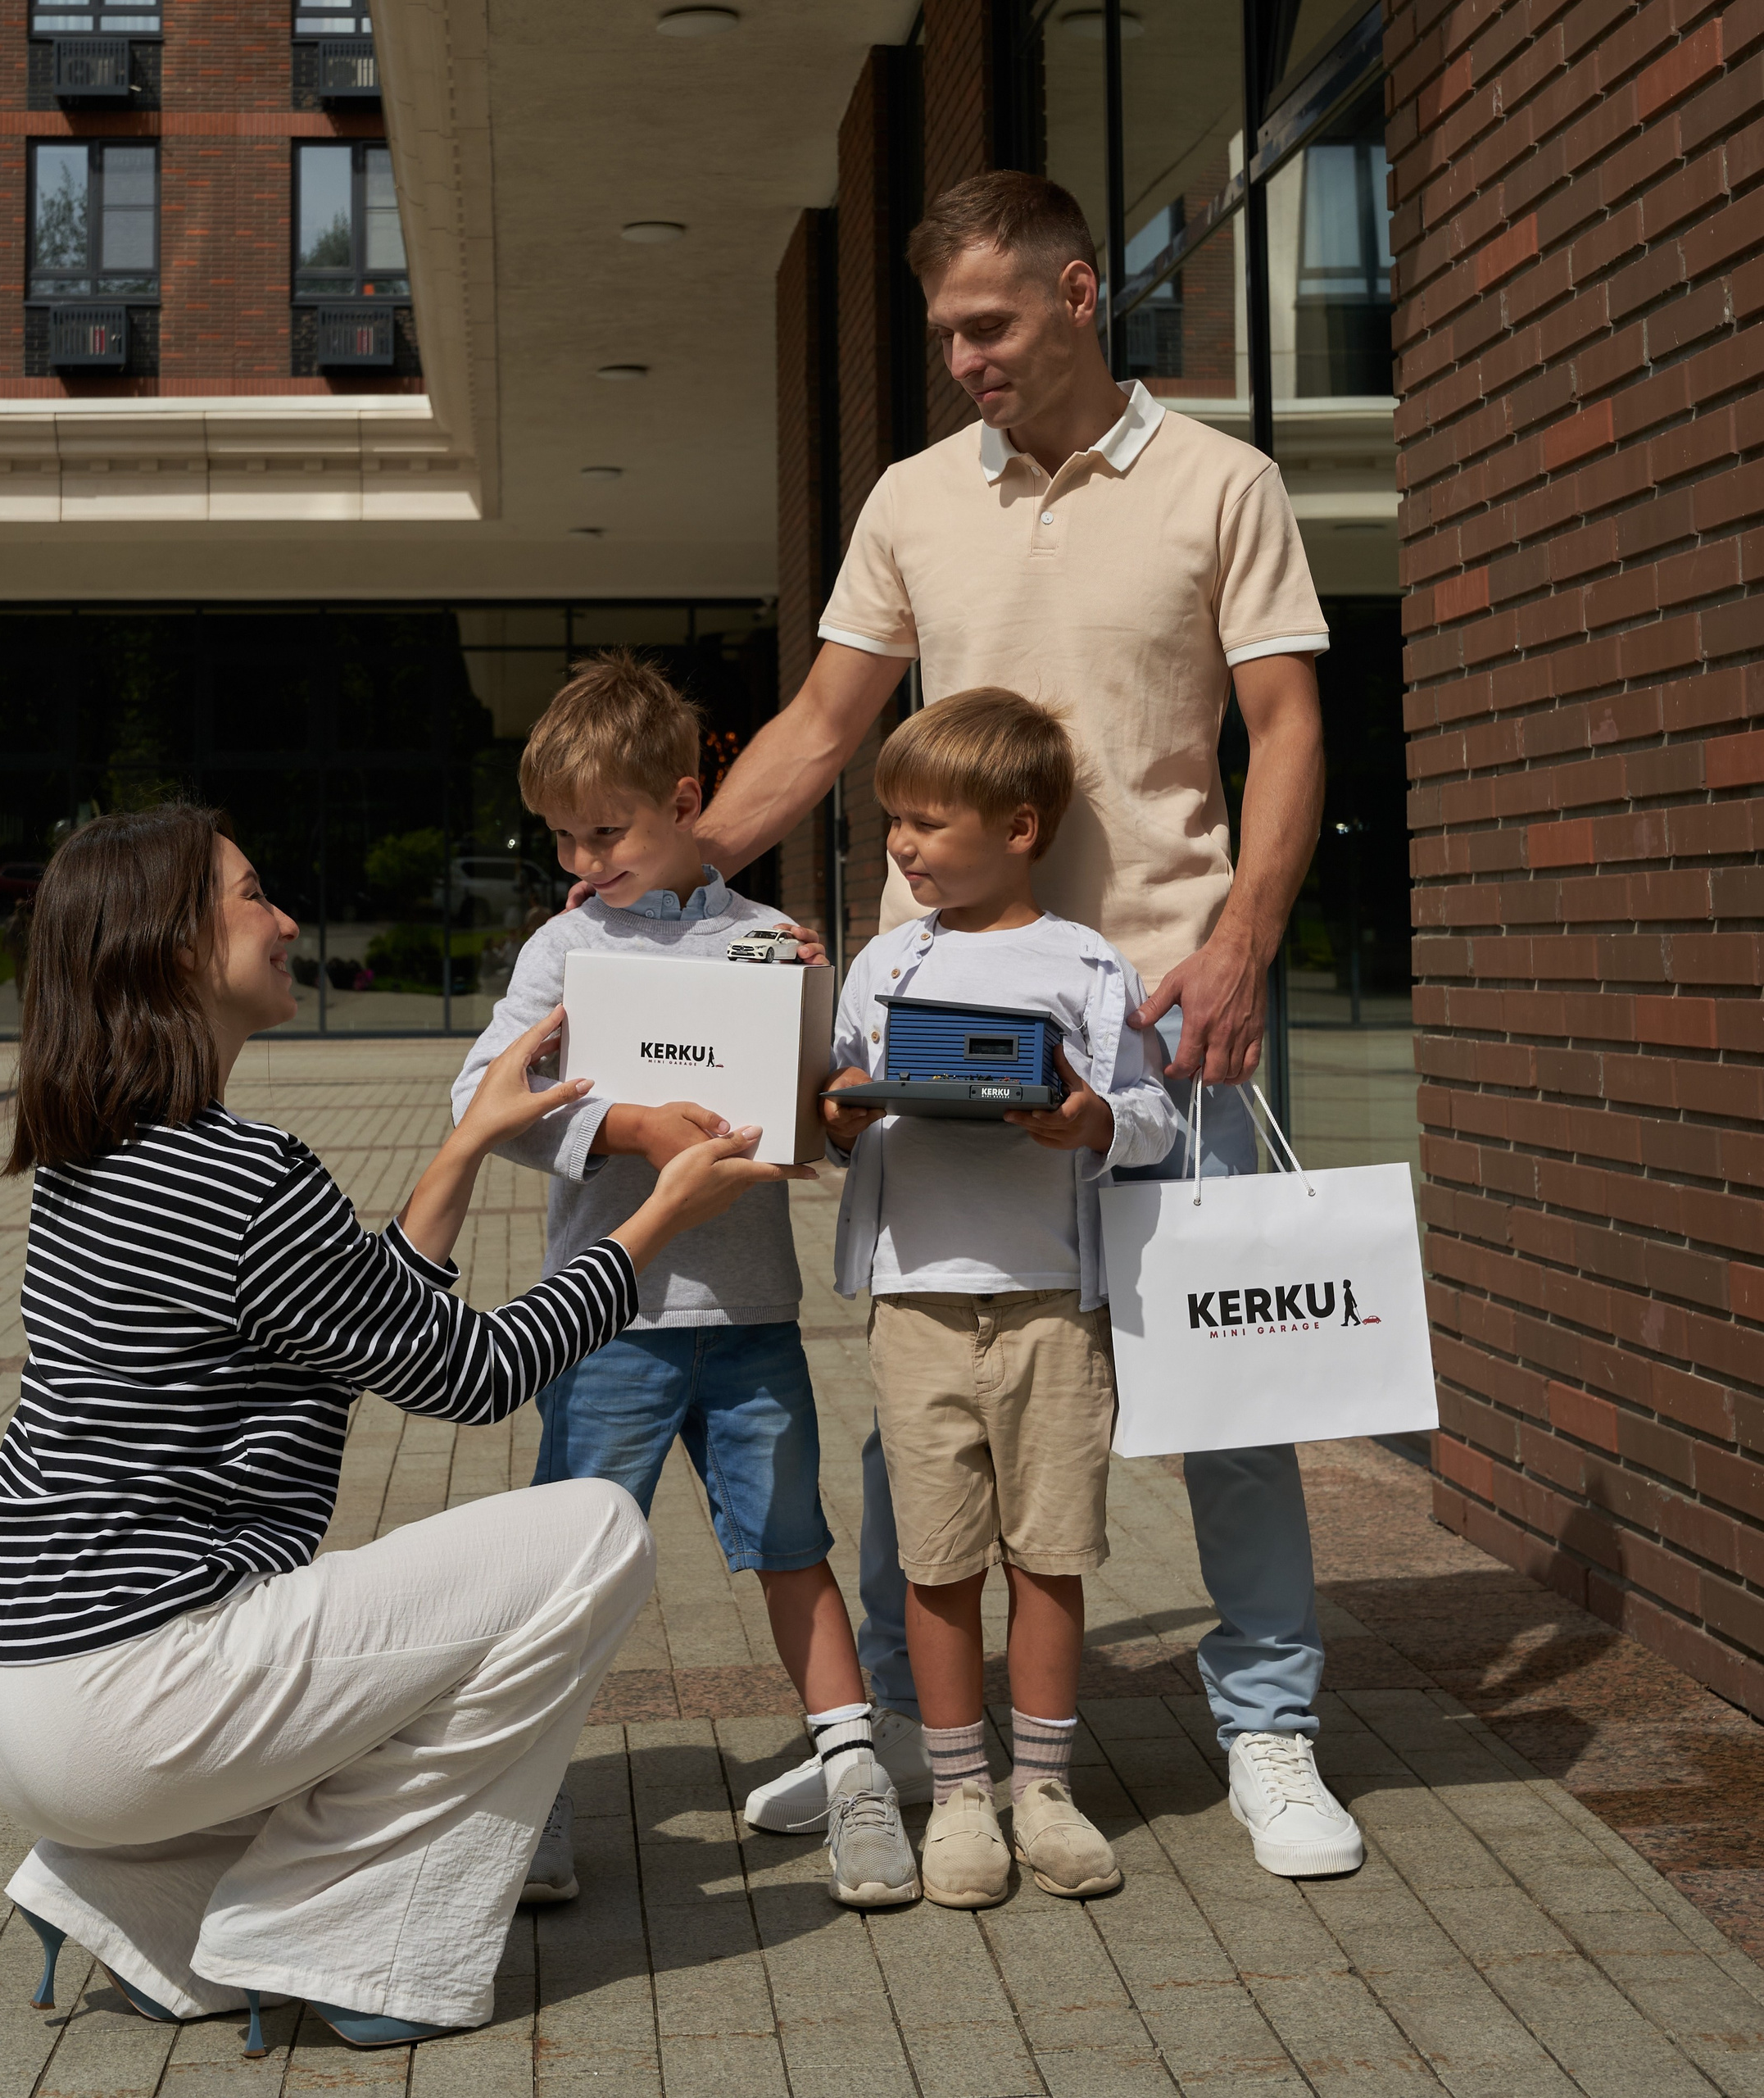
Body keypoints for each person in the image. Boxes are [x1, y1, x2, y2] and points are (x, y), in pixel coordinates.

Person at [696, 169, 1367, 1878]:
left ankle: (1269, 1723)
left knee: (1219, 1394)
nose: (964, 360)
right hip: (946, 1045)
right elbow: (822, 722)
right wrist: (665, 874)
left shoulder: (1224, 481)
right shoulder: (915, 498)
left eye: (987, 325)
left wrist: (1240, 944)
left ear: (1078, 294)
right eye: (940, 335)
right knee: (917, 1398)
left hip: (1161, 1012)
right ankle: (889, 1744)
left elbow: (1283, 729)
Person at [0, 802, 791, 2059]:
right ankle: (356, 1945)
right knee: (594, 1534)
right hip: (137, 1696)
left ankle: (140, 1900)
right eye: (252, 897)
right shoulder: (239, 1174)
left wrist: (463, 1147)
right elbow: (477, 1374)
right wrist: (657, 1220)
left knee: (423, 1626)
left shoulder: (99, 1158)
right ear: (172, 944)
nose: (288, 920)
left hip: (20, 1702)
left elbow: (354, 1316)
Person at [451, 651, 922, 1910]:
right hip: (609, 1320)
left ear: (683, 794)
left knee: (789, 1546)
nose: (580, 861)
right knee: (570, 1566)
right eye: (559, 837)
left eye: (604, 831)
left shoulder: (772, 944)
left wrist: (833, 1099)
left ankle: (856, 1772)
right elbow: (478, 1100)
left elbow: (820, 1110)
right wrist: (625, 1131)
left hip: (753, 1313)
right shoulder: (562, 950)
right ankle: (529, 1797)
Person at [821, 689, 1181, 1907]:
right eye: (892, 826)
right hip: (918, 1305)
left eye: (926, 823)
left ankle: (1045, 1789)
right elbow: (843, 1098)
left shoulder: (1083, 961)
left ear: (1020, 827)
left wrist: (1086, 1119)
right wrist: (839, 1109)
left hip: (1054, 1308)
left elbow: (1150, 1112)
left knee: (1053, 1556)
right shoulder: (884, 962)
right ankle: (959, 1796)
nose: (904, 848)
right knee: (936, 1563)